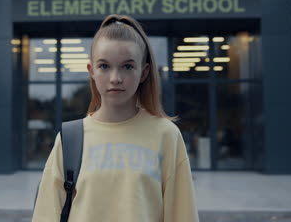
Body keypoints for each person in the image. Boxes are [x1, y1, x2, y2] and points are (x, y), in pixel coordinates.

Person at [32, 14, 199, 222]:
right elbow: (45, 215)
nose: (115, 78)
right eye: (104, 66)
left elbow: (183, 216)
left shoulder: (166, 135)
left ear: (144, 72)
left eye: (127, 66)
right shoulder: (71, 138)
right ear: (91, 71)